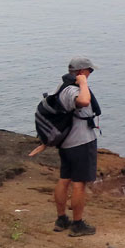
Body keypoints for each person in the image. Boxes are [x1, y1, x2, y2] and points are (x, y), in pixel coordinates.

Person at [31, 57, 101, 237]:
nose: (90, 74)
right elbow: (84, 101)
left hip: (67, 144)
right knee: (79, 184)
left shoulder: (62, 87)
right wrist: (83, 83)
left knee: (64, 179)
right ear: (81, 72)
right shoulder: (72, 90)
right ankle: (77, 224)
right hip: (81, 143)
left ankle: (61, 219)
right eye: (89, 71)